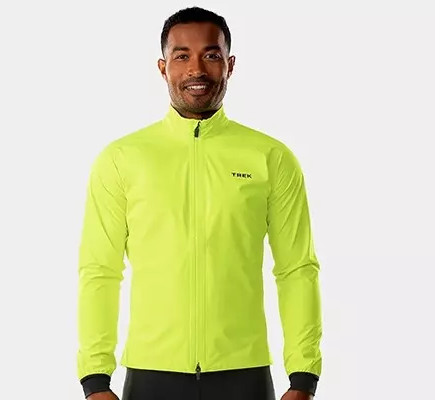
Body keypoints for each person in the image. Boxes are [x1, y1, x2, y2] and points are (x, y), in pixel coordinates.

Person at [77, 6, 323, 400]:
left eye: (210, 55)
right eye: (181, 56)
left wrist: (304, 376)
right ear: (163, 68)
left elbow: (296, 268)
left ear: (230, 65)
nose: (196, 69)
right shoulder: (122, 159)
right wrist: (94, 379)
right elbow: (100, 270)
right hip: (151, 374)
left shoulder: (270, 158)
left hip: (243, 373)